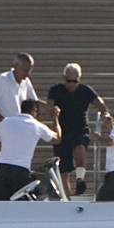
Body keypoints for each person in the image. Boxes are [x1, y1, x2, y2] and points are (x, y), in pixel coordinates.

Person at [46, 62, 108, 196]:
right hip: (62, 131)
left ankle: (80, 178)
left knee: (80, 148)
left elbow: (100, 104)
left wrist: (105, 114)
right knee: (64, 170)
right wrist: (53, 111)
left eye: (75, 81)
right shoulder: (56, 90)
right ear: (63, 78)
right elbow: (48, 107)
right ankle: (67, 197)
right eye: (69, 81)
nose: (72, 84)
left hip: (80, 128)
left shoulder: (86, 90)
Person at [0, 99, 61, 201]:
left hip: (1, 169)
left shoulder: (6, 122)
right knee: (24, 204)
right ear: (34, 111)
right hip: (20, 171)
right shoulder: (37, 125)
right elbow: (57, 138)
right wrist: (55, 119)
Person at [0, 53, 38, 177]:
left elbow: (34, 101)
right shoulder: (2, 80)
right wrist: (5, 123)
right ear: (15, 66)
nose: (27, 74)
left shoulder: (26, 82)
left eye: (30, 70)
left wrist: (51, 107)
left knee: (16, 163)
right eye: (25, 70)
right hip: (2, 131)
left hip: (19, 131)